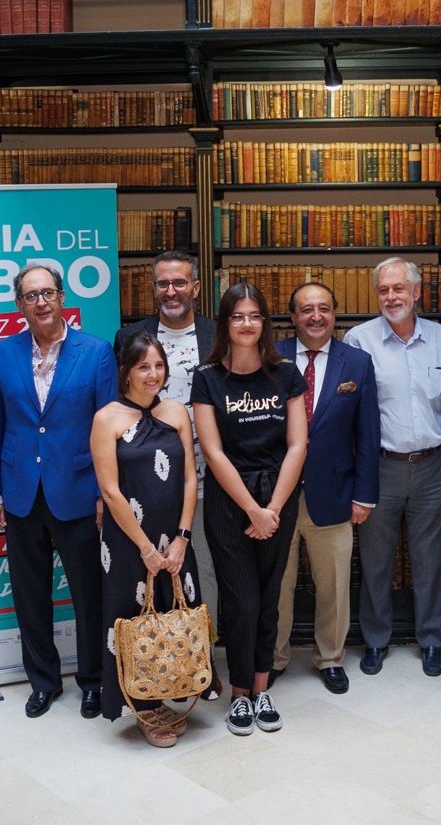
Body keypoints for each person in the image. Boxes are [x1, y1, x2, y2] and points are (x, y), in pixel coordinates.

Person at [0, 263, 117, 721]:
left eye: (48, 293)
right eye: (30, 295)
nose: (40, 302)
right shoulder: (3, 355)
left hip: (78, 492)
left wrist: (105, 492)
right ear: (20, 304)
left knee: (88, 596)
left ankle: (93, 682)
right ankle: (43, 682)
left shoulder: (95, 352)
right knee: (30, 595)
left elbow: (107, 430)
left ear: (62, 298)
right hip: (21, 494)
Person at [191, 283, 307, 735]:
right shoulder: (207, 378)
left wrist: (273, 507)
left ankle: (261, 689)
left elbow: (298, 444)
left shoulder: (287, 374)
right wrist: (252, 510)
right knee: (241, 600)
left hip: (278, 495)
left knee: (269, 598)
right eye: (237, 316)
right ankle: (240, 693)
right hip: (229, 500)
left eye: (254, 315)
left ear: (265, 322)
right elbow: (213, 453)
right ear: (225, 323)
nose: (246, 323)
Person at [343, 257, 441, 678]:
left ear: (416, 292)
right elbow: (349, 410)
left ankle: (431, 640)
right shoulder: (359, 340)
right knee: (375, 560)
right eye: (384, 290)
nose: (392, 297)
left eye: (399, 289)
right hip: (379, 467)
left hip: (433, 464)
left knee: (430, 558)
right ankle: (374, 640)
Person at [91, 332, 202, 748]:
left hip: (175, 539)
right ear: (126, 371)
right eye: (143, 366)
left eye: (158, 365)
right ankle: (141, 707)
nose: (152, 374)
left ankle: (168, 690)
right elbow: (111, 491)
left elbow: (191, 475)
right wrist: (145, 548)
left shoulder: (176, 412)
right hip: (127, 543)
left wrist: (182, 537)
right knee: (131, 619)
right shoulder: (107, 419)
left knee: (174, 613)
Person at [272, 282, 381, 695]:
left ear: (335, 314)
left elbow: (368, 433)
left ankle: (331, 658)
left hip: (335, 492)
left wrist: (363, 494)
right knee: (276, 582)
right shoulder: (271, 357)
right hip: (276, 496)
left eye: (323, 309)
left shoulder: (357, 362)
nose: (315, 316)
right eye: (305, 310)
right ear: (293, 317)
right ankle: (274, 656)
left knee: (334, 583)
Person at [114, 249, 220, 669]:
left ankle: (200, 659)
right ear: (153, 288)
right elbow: (118, 407)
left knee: (205, 573)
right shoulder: (129, 337)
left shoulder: (218, 335)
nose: (171, 291)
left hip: (209, 478)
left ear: (195, 287)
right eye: (163, 283)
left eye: (180, 283)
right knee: (148, 572)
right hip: (144, 482)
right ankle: (155, 664)